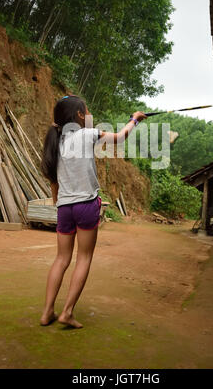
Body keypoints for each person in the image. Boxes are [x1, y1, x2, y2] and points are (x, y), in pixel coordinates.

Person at [40, 94, 147, 328]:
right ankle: (66, 312)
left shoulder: (56, 142)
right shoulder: (87, 134)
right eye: (87, 111)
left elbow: (54, 184)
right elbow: (120, 138)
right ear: (79, 115)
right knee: (84, 257)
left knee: (61, 259)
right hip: (86, 206)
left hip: (65, 208)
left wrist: (59, 204)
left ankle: (47, 312)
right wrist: (135, 119)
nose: (90, 115)